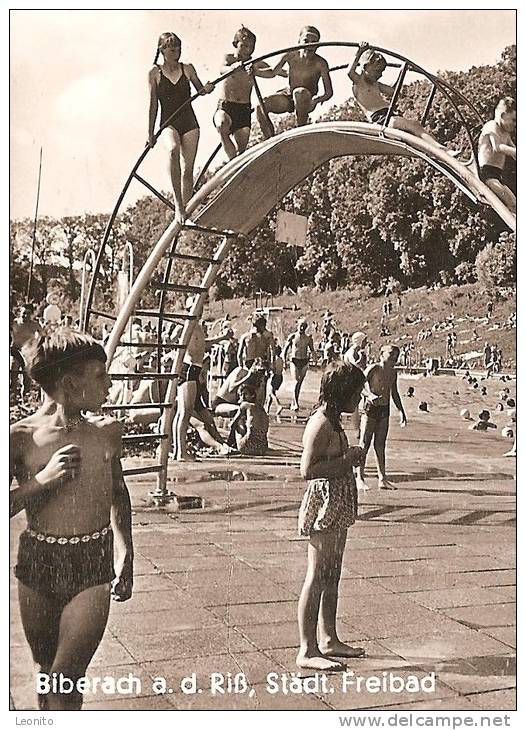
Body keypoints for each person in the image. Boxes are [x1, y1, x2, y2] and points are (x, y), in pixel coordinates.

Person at [10, 331, 133, 710]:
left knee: (65, 676)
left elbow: (119, 491)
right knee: (46, 673)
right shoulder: (21, 438)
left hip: (91, 564)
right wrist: (41, 481)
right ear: (69, 384)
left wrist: (126, 550)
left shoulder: (107, 432)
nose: (110, 385)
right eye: (100, 376)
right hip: (39, 563)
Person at [297, 361, 366, 671]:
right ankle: (307, 649)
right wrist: (347, 460)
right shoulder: (322, 424)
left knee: (332, 573)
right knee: (317, 575)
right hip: (325, 506)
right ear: (342, 394)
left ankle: (328, 638)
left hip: (337, 505)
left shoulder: (334, 420)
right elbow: (308, 470)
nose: (360, 398)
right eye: (357, 392)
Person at [147, 32, 214, 223]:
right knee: (173, 150)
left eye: (178, 47)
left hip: (189, 122)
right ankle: (178, 206)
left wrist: (207, 89)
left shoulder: (188, 68)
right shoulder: (154, 73)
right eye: (171, 47)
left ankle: (187, 211)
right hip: (169, 121)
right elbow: (153, 104)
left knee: (188, 168)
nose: (175, 51)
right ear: (162, 50)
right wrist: (150, 133)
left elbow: (200, 90)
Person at [348, 43, 459, 156]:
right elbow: (350, 72)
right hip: (380, 119)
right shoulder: (359, 82)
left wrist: (402, 72)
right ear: (365, 67)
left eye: (381, 72)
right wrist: (359, 52)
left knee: (414, 128)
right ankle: (441, 150)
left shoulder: (376, 84)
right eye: (378, 72)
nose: (380, 75)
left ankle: (435, 150)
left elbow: (392, 91)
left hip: (389, 114)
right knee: (413, 126)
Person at [173, 298, 231, 461]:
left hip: (195, 370)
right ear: (189, 309)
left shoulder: (197, 326)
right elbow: (173, 338)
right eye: (195, 309)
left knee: (186, 413)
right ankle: (180, 451)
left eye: (200, 309)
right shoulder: (187, 325)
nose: (199, 312)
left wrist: (222, 337)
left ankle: (180, 450)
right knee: (184, 413)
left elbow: (204, 345)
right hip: (189, 370)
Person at [214, 26, 284, 160]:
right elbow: (222, 69)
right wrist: (232, 68)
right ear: (236, 44)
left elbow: (272, 71)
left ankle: (236, 163)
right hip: (227, 106)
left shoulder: (255, 63)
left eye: (251, 46)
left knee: (242, 149)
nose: (248, 49)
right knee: (222, 125)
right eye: (244, 45)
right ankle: (231, 161)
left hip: (243, 109)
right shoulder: (229, 58)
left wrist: (283, 72)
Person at [257, 26, 333, 138]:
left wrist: (317, 100)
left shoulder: (321, 63)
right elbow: (273, 72)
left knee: (300, 92)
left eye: (313, 42)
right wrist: (255, 72)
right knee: (261, 106)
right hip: (289, 96)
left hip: (307, 99)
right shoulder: (290, 55)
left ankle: (300, 134)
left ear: (317, 46)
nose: (309, 45)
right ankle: (271, 141)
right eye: (306, 41)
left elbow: (329, 92)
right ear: (299, 42)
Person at [356, 345, 407, 491]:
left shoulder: (393, 373)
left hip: (384, 410)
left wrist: (401, 411)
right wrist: (370, 395)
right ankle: (360, 477)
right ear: (382, 354)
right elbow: (360, 384)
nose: (394, 358)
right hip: (370, 409)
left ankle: (382, 478)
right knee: (364, 443)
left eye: (396, 355)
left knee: (380, 444)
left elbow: (394, 393)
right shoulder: (374, 368)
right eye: (391, 354)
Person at [477, 97, 516, 213]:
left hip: (498, 175)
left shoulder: (506, 134)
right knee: (506, 197)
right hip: (486, 174)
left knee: (514, 203)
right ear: (503, 115)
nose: (515, 124)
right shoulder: (492, 125)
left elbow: (513, 150)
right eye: (513, 120)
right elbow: (497, 147)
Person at [283, 319, 315, 412]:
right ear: (297, 326)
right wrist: (284, 361)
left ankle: (294, 401)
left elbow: (312, 349)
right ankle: (296, 403)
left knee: (299, 383)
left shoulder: (308, 338)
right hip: (294, 360)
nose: (302, 328)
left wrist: (315, 358)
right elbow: (285, 349)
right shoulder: (292, 336)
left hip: (304, 361)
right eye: (301, 326)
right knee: (296, 381)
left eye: (304, 326)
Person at [230, 384, 269, 456]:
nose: (243, 397)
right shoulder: (261, 408)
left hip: (247, 447)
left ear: (252, 395)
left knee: (239, 422)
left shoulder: (245, 405)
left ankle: (233, 444)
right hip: (263, 448)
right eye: (241, 395)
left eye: (245, 394)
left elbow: (232, 424)